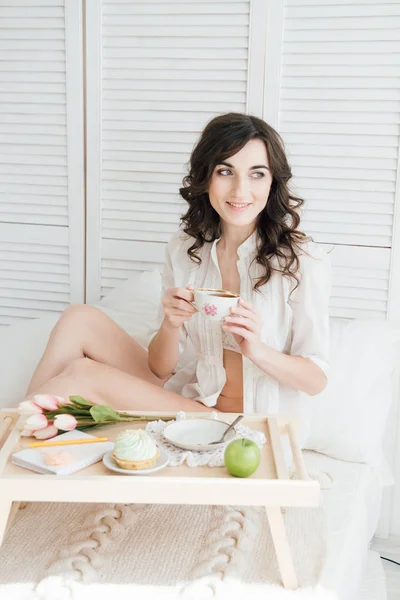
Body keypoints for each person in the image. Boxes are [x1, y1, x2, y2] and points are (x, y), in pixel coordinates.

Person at [26, 113, 331, 417]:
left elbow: (316, 380)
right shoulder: (185, 249)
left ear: (272, 182)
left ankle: (10, 436)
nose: (240, 191)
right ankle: (13, 433)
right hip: (190, 394)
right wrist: (170, 325)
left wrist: (258, 350)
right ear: (206, 177)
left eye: (256, 174)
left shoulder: (302, 261)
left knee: (81, 375)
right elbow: (159, 369)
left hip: (236, 422)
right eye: (225, 172)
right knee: (79, 318)